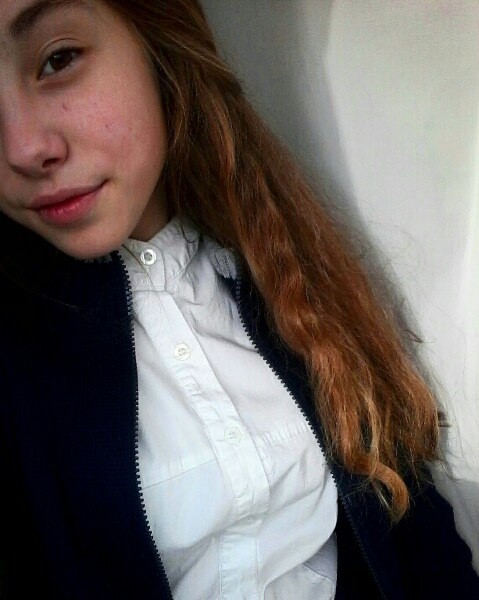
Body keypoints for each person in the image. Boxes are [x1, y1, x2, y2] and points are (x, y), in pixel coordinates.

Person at [0, 1, 477, 598]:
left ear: (156, 40)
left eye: (59, 59)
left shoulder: (276, 257)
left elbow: (415, 527)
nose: (22, 148)